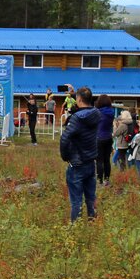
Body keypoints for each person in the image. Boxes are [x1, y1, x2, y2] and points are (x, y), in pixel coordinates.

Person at [57, 87, 100, 222]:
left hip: (77, 163)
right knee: (90, 197)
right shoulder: (96, 113)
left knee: (76, 201)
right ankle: (92, 221)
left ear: (79, 99)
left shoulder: (77, 118)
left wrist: (65, 156)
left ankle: (76, 229)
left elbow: (64, 138)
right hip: (91, 161)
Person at [94, 95, 115, 186]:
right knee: (107, 160)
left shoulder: (98, 112)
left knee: (99, 161)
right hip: (109, 138)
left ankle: (100, 181)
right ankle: (107, 180)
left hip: (99, 138)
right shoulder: (112, 112)